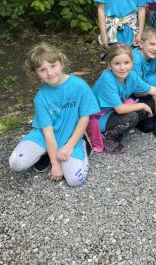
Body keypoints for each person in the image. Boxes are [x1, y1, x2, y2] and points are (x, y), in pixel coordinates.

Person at [9, 43, 100, 187]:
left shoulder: (79, 86)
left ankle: (82, 144)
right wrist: (55, 164)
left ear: (61, 63)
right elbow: (48, 132)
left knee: (75, 180)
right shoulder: (40, 98)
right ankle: (46, 153)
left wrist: (69, 146)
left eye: (53, 66)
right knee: (16, 161)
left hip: (70, 135)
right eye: (42, 70)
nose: (50, 73)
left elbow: (84, 118)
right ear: (36, 73)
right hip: (46, 136)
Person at [89, 44, 156, 154]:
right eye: (117, 63)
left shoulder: (131, 76)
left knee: (150, 103)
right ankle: (105, 137)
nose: (122, 67)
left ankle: (116, 130)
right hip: (97, 117)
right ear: (110, 65)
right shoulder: (107, 78)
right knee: (132, 116)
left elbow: (151, 89)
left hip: (112, 111)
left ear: (132, 63)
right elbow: (120, 109)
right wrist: (142, 105)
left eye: (126, 63)